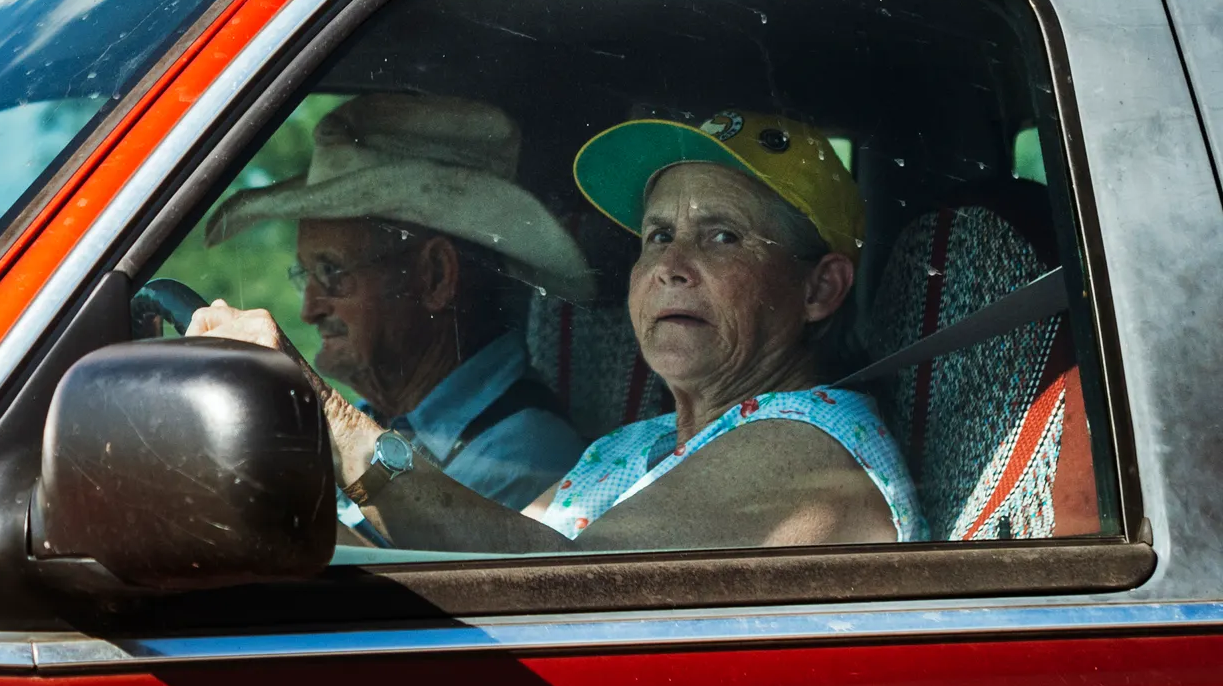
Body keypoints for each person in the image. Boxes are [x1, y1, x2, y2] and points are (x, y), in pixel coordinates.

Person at [190, 107, 927, 553]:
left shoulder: (808, 445)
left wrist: (326, 418)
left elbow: (548, 582)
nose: (670, 265)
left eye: (723, 236)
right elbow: (471, 575)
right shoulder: (634, 445)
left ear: (820, 288)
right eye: (656, 235)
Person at [200, 93, 593, 509]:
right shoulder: (383, 416)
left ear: (436, 276)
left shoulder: (520, 453)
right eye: (306, 274)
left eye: (332, 272)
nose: (309, 309)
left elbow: (386, 559)